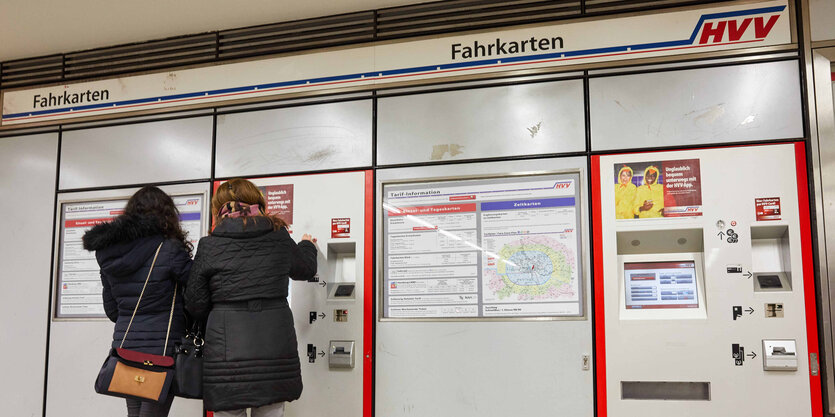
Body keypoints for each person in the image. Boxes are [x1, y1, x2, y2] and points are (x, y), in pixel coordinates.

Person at [185, 178, 317, 417]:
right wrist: (307, 245)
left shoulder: (210, 245)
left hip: (225, 348)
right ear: (257, 202)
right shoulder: (278, 236)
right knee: (270, 408)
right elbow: (306, 269)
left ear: (219, 208)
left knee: (229, 409)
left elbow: (195, 302)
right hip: (274, 342)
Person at [82, 186, 193, 417]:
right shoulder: (169, 249)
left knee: (135, 413)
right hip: (161, 349)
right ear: (166, 215)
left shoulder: (108, 254)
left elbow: (113, 310)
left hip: (126, 347)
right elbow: (195, 296)